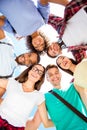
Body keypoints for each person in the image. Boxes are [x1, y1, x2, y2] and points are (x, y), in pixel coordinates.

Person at [25, 64, 87, 130]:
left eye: (56, 73)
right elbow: (45, 124)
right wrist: (63, 121)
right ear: (47, 79)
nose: (54, 76)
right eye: (50, 75)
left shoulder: (74, 86)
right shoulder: (44, 97)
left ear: (60, 74)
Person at [0, 64, 54, 129]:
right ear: (29, 71)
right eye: (34, 69)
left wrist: (67, 121)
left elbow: (46, 123)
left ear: (40, 78)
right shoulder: (12, 83)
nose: (36, 72)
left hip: (16, 128)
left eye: (40, 72)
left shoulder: (39, 96)